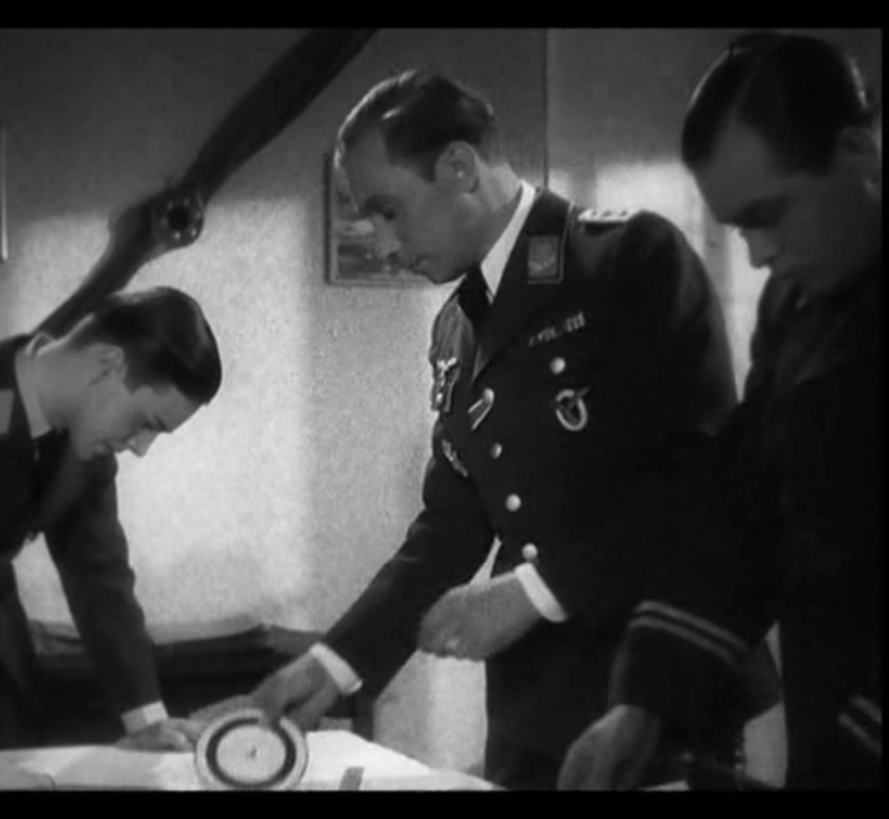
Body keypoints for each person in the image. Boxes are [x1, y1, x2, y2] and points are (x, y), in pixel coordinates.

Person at [250, 68, 778, 790]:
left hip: (656, 693)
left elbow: (701, 481)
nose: (383, 244)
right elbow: (449, 529)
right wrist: (335, 662)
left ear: (459, 167)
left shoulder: (626, 259)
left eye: (388, 211)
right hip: (531, 708)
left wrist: (535, 589)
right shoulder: (456, 326)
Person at [0, 285, 223, 789]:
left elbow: (100, 580)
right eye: (145, 423)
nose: (141, 448)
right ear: (108, 365)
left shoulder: (86, 455)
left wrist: (146, 720)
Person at [680, 31, 880, 790]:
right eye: (740, 227)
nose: (758, 254)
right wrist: (648, 698)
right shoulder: (794, 304)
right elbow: (749, 502)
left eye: (771, 214)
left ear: (857, 152)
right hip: (827, 713)